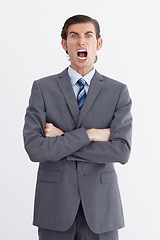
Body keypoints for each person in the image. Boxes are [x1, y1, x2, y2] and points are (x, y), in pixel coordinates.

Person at [23, 14, 132, 240]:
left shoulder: (118, 91)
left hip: (102, 210)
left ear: (98, 43)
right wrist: (90, 134)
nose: (81, 41)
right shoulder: (42, 89)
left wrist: (62, 138)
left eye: (88, 35)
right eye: (74, 36)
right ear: (64, 44)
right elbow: (35, 148)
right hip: (55, 207)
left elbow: (121, 151)